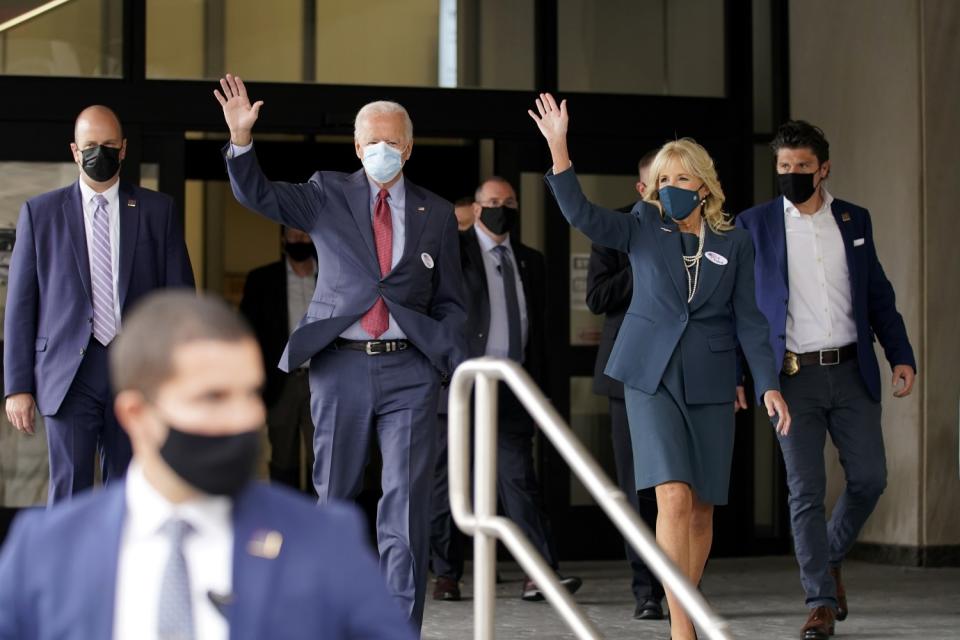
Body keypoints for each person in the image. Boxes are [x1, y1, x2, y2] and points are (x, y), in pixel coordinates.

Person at [0, 292, 415, 640]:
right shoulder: (44, 550)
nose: (244, 418)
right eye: (213, 398)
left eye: (250, 394)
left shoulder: (326, 540)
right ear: (137, 415)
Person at [529, 92, 790, 640]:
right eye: (661, 180)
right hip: (650, 376)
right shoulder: (642, 227)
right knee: (671, 495)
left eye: (679, 179)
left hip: (713, 382)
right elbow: (581, 214)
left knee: (700, 509)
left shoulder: (734, 241)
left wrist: (766, 384)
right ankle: (681, 629)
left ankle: (686, 608)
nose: (667, 188)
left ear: (703, 186)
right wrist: (559, 150)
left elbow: (750, 320)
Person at [213, 74, 466, 629]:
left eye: (392, 142)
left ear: (409, 147)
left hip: (409, 371)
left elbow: (452, 301)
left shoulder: (437, 213)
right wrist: (240, 141)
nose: (382, 150)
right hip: (340, 366)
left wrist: (447, 354)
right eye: (371, 141)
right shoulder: (327, 191)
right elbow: (260, 195)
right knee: (335, 502)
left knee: (404, 508)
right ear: (356, 147)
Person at [736, 120, 916, 640]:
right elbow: (739, 308)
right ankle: (819, 601)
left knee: (869, 478)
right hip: (792, 380)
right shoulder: (755, 225)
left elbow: (877, 294)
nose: (792, 175)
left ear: (824, 168)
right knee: (805, 491)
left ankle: (831, 555)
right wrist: (739, 375)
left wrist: (899, 354)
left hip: (852, 371)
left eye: (802, 167)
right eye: (784, 168)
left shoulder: (853, 220)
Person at [3, 105, 194, 504]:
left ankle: (120, 568)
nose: (99, 153)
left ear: (123, 149)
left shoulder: (158, 211)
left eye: (108, 145)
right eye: (91, 146)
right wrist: (17, 386)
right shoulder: (41, 214)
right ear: (75, 150)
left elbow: (180, 302)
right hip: (68, 374)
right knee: (69, 492)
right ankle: (69, 568)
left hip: (135, 372)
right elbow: (21, 305)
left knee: (130, 494)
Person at [430, 177, 581, 603]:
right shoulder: (453, 252)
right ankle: (445, 573)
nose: (502, 208)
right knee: (447, 481)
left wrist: (544, 390)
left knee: (518, 479)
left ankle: (539, 573)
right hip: (459, 385)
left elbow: (543, 329)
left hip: (512, 385)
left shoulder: (530, 260)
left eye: (509, 202)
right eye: (493, 202)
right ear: (476, 209)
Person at [584, 150, 666, 620]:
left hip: (681, 375)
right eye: (656, 181)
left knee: (680, 489)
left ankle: (682, 583)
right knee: (636, 489)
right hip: (628, 377)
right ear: (641, 188)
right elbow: (597, 296)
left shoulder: (698, 227)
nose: (665, 188)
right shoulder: (616, 228)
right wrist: (646, 264)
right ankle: (646, 590)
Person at [239, 226, 317, 492]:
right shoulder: (262, 279)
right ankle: (287, 526)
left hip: (323, 382)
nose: (299, 240)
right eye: (293, 235)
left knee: (324, 462)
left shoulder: (332, 277)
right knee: (283, 461)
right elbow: (247, 333)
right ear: (283, 238)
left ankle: (318, 527)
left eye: (304, 234)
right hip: (280, 382)